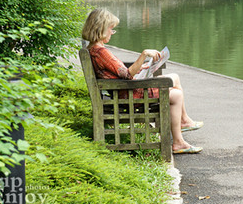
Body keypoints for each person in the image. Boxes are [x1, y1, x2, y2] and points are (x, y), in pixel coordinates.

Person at [81, 8, 203, 154]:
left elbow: (117, 71)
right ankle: (178, 141)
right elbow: (126, 74)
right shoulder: (101, 52)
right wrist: (144, 54)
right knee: (176, 94)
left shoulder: (95, 49)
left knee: (175, 78)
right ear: (101, 28)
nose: (112, 33)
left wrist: (141, 67)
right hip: (129, 95)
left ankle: (183, 123)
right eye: (111, 29)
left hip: (124, 90)